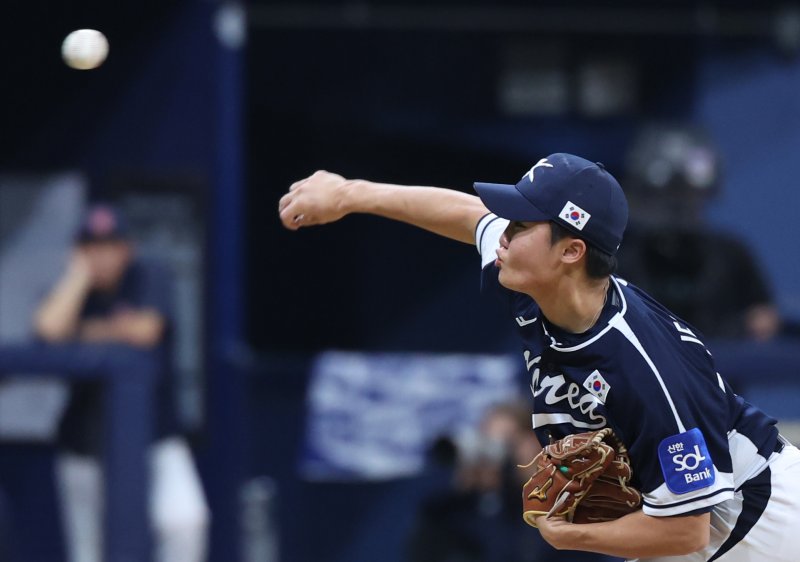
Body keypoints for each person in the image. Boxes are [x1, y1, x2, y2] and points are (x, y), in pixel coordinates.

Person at [278, 154, 800, 561]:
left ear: (571, 251)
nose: (500, 233)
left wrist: (571, 536)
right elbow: (465, 214)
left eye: (520, 225)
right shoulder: (537, 280)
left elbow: (687, 526)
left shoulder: (640, 367)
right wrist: (350, 193)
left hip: (762, 531)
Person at [33, 204, 209, 562]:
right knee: (89, 552)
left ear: (126, 248)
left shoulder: (147, 275)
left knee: (186, 523)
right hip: (85, 442)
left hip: (155, 436)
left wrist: (82, 334)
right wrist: (77, 277)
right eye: (91, 246)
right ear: (79, 252)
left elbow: (146, 330)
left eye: (109, 245)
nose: (101, 256)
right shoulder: (75, 290)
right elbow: (48, 330)